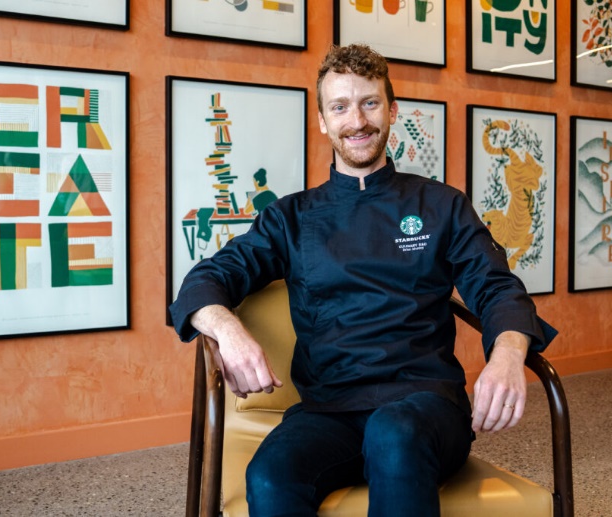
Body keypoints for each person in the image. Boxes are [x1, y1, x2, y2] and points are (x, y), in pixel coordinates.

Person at [170, 43, 557, 516]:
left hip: (425, 408)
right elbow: (208, 277)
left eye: (370, 102)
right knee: (271, 474)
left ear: (392, 110)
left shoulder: (440, 205)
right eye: (340, 107)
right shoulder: (290, 218)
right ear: (323, 121)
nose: (357, 120)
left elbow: (497, 287)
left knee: (393, 433)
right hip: (329, 411)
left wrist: (508, 355)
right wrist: (227, 331)